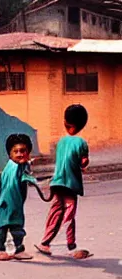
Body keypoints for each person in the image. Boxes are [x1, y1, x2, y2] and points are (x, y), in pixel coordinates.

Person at [35, 104, 91, 259]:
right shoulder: (81, 142)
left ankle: (45, 242)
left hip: (57, 182)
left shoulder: (60, 141)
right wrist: (83, 165)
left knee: (55, 211)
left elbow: (62, 160)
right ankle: (70, 245)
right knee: (69, 213)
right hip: (70, 184)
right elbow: (83, 161)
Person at [0, 134, 37, 262]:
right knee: (4, 227)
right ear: (10, 154)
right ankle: (1, 250)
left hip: (15, 203)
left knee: (16, 227)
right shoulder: (13, 168)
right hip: (7, 203)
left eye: (23, 151)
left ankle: (18, 249)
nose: (20, 154)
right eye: (16, 151)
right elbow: (17, 183)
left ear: (28, 152)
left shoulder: (19, 166)